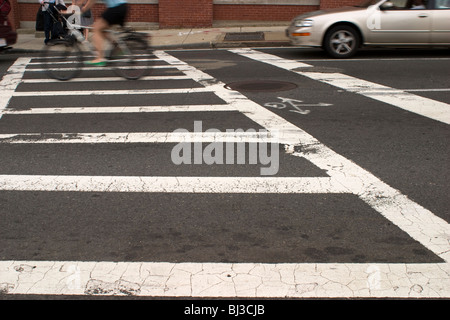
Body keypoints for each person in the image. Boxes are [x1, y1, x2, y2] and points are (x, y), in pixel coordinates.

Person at [80, 0, 128, 66]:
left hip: (116, 8)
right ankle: (117, 47)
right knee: (102, 30)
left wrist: (84, 9)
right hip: (122, 7)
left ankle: (99, 58)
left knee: (96, 28)